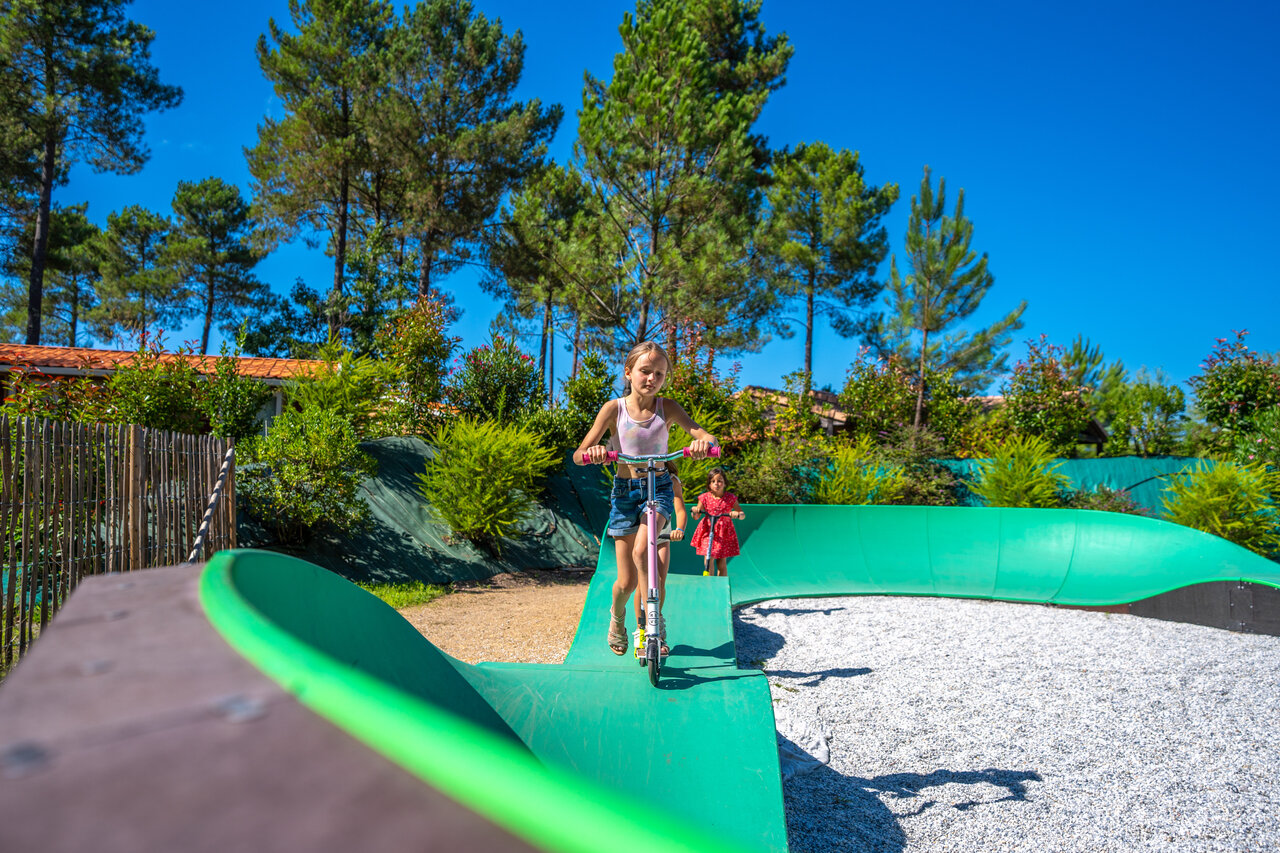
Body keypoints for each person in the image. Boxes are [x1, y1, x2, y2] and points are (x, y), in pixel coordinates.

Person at [574, 341, 716, 657]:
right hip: (625, 494)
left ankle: (650, 626)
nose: (652, 378)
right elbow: (579, 455)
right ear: (629, 372)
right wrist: (594, 452)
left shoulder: (669, 408)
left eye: (659, 374)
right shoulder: (614, 409)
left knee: (644, 551)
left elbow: (704, 435)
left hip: (660, 488)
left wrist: (703, 444)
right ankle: (617, 618)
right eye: (645, 371)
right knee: (625, 582)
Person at [690, 467, 744, 577]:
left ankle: (721, 585)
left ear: (724, 483)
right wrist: (695, 511)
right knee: (708, 558)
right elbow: (696, 516)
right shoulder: (704, 497)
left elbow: (742, 515)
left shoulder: (730, 498)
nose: (716, 484)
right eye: (713, 481)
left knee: (721, 561)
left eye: (720, 481)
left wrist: (737, 514)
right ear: (709, 484)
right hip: (707, 530)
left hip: (723, 533)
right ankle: (708, 583)